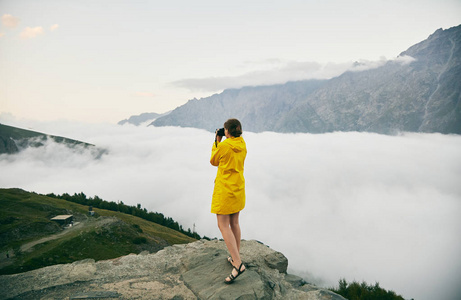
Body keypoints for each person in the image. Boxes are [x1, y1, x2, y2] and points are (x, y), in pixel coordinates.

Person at [210, 118, 247, 284]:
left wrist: (216, 142)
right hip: (238, 189)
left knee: (223, 225)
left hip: (225, 190)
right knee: (235, 223)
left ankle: (238, 264)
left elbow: (213, 161)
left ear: (227, 132)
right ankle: (235, 256)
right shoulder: (242, 143)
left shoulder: (224, 145)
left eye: (225, 130)